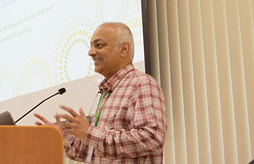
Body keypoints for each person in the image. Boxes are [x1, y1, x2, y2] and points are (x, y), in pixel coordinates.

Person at [34, 22, 167, 163]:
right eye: (91, 46)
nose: (90, 52)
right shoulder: (109, 91)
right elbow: (90, 153)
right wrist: (61, 136)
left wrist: (90, 133)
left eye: (99, 45)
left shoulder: (141, 84)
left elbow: (152, 137)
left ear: (123, 49)